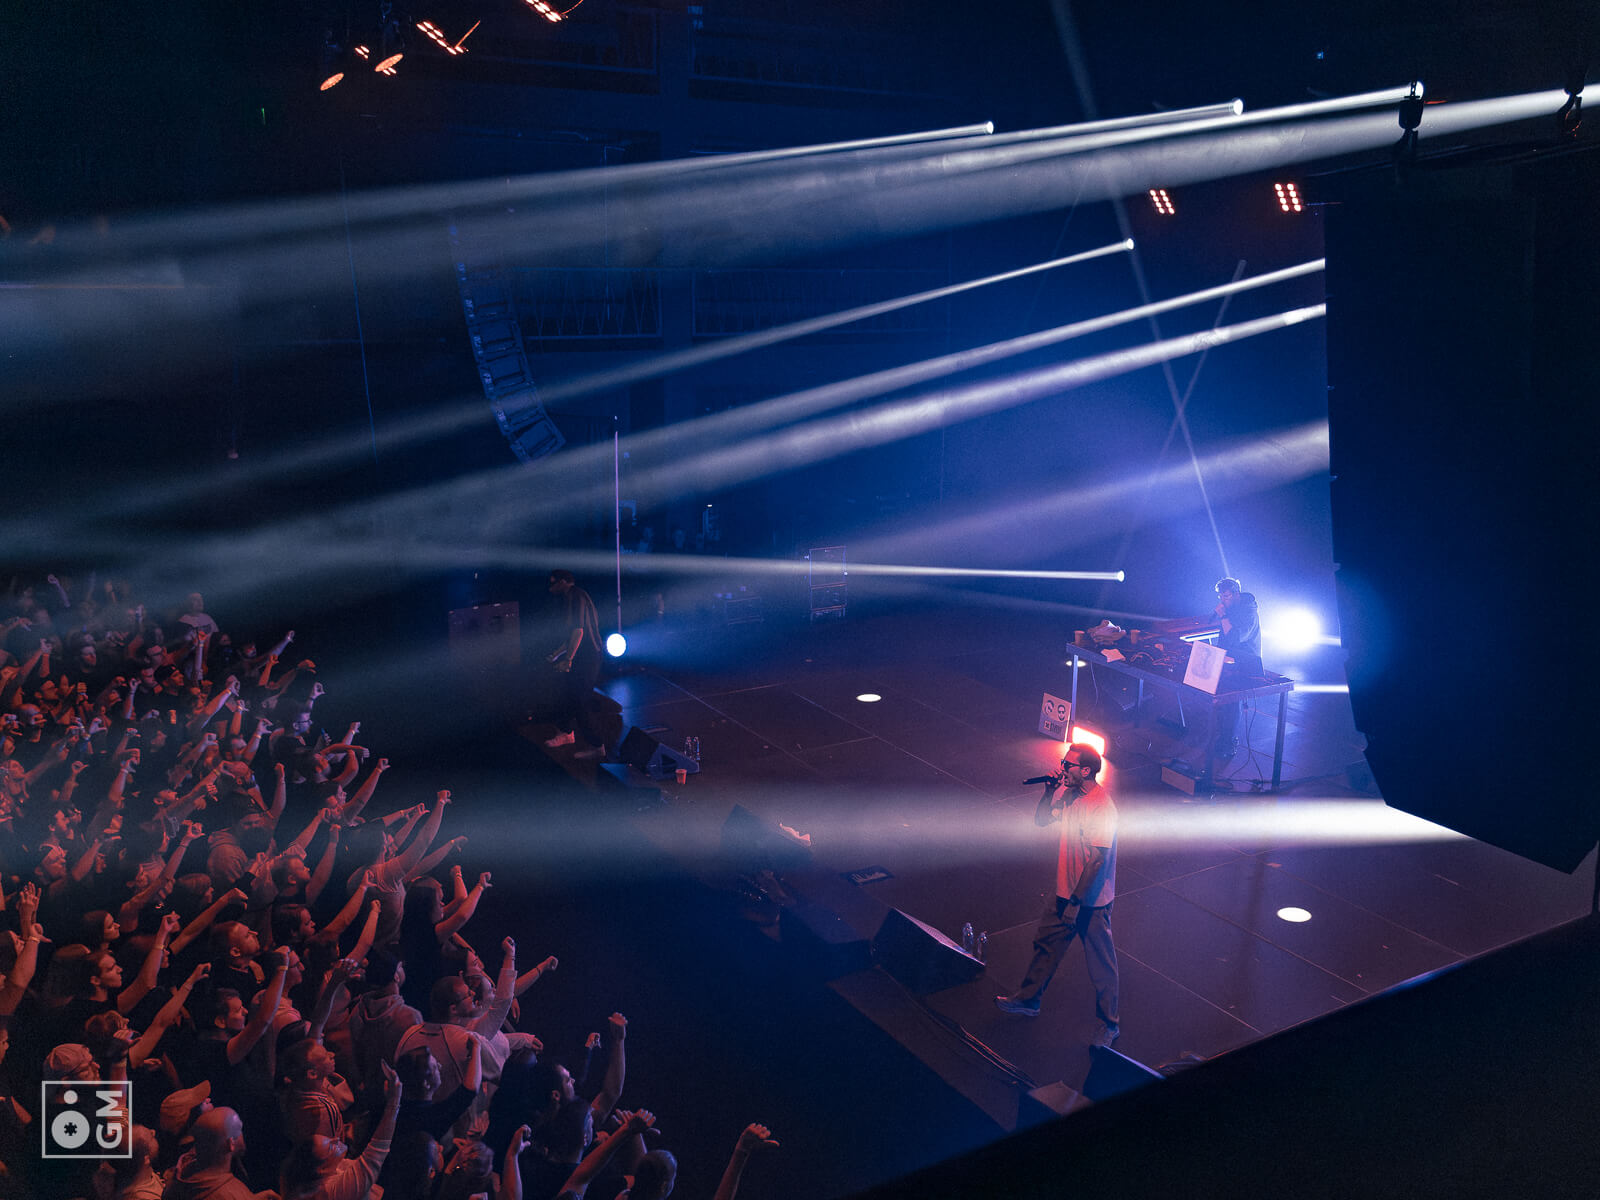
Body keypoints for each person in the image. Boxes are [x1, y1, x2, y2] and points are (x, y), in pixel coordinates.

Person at [995, 743, 1120, 1046]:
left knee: (1101, 966)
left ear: (1086, 771)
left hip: (1090, 901)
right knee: (1046, 946)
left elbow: (1097, 861)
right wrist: (1049, 792)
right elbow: (1041, 820)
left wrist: (1076, 903)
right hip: (1065, 892)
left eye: (1068, 765)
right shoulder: (1069, 795)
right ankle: (1029, 1000)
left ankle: (1110, 1024)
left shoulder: (1102, 808)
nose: (1062, 769)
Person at [542, 570, 604, 758]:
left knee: (580, 699)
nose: (550, 588)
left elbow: (578, 631)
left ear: (563, 582)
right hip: (582, 655)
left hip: (588, 656)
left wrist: (568, 659)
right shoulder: (572, 597)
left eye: (553, 583)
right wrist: (556, 654)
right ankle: (566, 733)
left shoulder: (576, 597)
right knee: (568, 694)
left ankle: (597, 746)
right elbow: (572, 636)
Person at [1211, 577, 1261, 759]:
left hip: (1245, 664)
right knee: (1221, 700)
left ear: (1236, 594)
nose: (1223, 600)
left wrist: (1223, 616)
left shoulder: (1249, 612)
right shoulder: (1231, 608)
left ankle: (1229, 742)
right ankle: (1222, 738)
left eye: (1226, 596)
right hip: (1229, 661)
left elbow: (1234, 637)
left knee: (1232, 701)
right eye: (1220, 596)